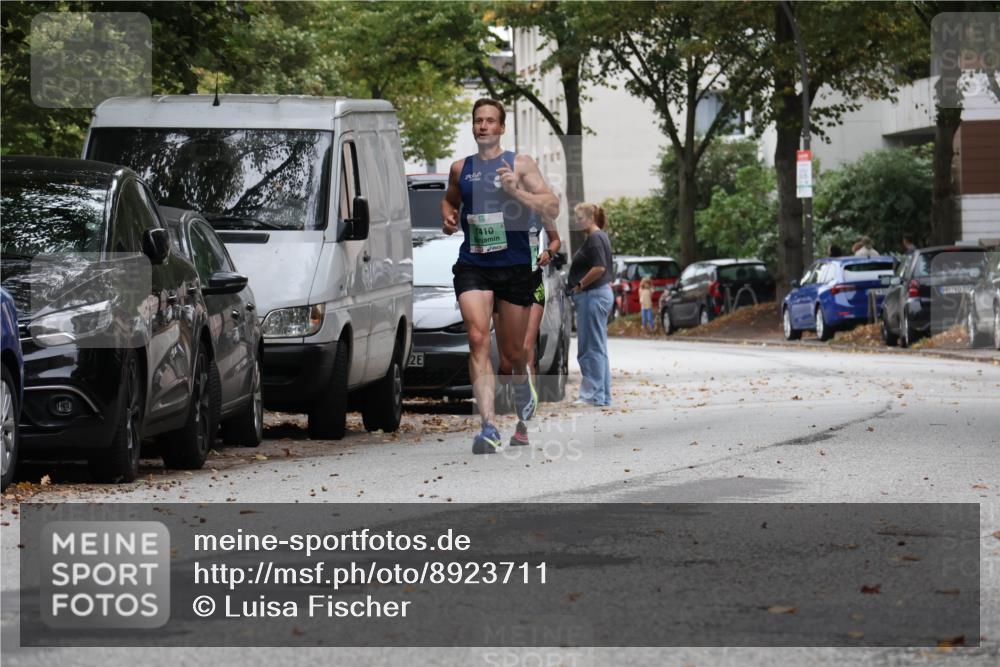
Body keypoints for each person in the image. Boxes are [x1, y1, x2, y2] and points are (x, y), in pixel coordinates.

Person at [441, 98, 560, 454]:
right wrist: (448, 217)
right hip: (474, 264)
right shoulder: (460, 168)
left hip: (513, 267)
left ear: (501, 128)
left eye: (491, 121)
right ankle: (488, 426)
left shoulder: (521, 164)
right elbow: (450, 201)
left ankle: (523, 386)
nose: (483, 126)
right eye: (478, 121)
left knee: (512, 355)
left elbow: (551, 206)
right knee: (477, 339)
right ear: (473, 126)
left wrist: (516, 191)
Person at [495, 216, 562, 446]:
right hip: (502, 282)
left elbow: (555, 241)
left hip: (532, 281)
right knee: (506, 362)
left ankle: (522, 425)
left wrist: (548, 253)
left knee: (526, 348)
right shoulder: (498, 204)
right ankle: (509, 379)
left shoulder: (538, 207)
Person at [568, 203, 614, 407]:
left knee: (589, 348)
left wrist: (579, 284)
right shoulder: (599, 236)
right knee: (598, 347)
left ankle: (591, 395)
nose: (577, 222)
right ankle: (602, 396)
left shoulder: (595, 238)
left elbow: (599, 267)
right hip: (598, 295)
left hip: (593, 295)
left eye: (579, 217)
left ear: (590, 217)